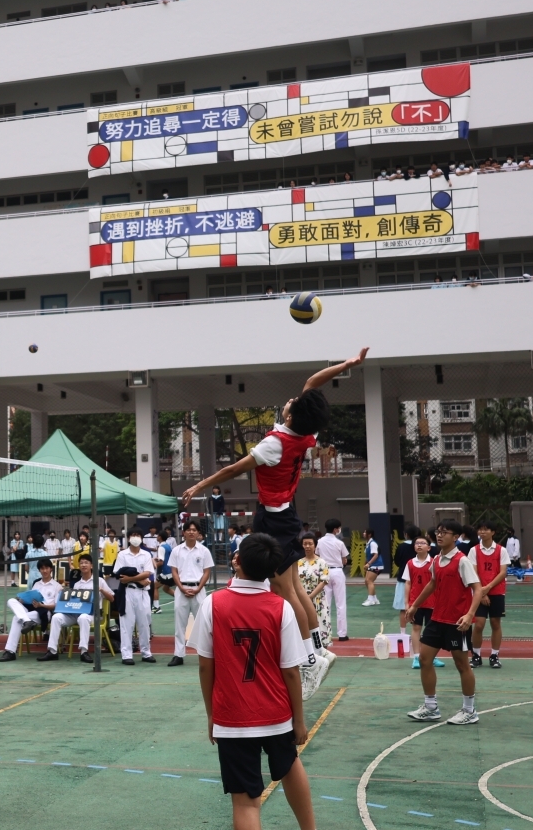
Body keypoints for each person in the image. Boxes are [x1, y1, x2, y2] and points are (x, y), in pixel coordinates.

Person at [181, 349, 370, 684]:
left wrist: (199, 485)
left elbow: (233, 469)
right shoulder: (306, 434)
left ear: (292, 416)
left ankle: (310, 658)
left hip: (274, 518)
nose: (291, 400)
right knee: (295, 587)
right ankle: (320, 648)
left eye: (293, 403)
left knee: (285, 591)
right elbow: (312, 382)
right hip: (287, 514)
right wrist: (348, 365)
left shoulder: (275, 444)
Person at [193, 533, 316, 830]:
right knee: (290, 765)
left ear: (236, 560)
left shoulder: (212, 604)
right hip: (276, 714)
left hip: (232, 717)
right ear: (273, 570)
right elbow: (291, 671)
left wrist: (212, 715)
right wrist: (299, 720)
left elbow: (205, 667)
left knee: (246, 802)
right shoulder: (281, 607)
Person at [405, 522, 483, 724]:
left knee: (462, 664)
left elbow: (478, 589)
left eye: (444, 532)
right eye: (438, 532)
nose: (439, 535)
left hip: (457, 622)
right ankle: (431, 707)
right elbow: (432, 584)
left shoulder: (462, 561)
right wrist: (414, 605)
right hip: (437, 618)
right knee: (424, 659)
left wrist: (469, 615)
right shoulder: (437, 559)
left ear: (455, 537)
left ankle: (469, 710)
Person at [42, 554, 113, 662]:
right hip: (75, 614)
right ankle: (52, 651)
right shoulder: (77, 585)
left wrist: (101, 590)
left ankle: (84, 652)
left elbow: (112, 598)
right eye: (81, 563)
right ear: (79, 566)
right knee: (56, 617)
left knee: (83, 618)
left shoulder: (100, 581)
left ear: (92, 565)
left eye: (86, 563)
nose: (83, 565)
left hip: (92, 614)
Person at [169, 521, 215, 666]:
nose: (191, 532)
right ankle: (178, 654)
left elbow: (207, 572)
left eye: (194, 530)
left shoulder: (204, 551)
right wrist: (181, 588)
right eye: (188, 530)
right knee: (179, 624)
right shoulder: (176, 550)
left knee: (203, 624)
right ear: (183, 533)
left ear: (198, 533)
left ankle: (206, 654)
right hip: (181, 589)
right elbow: (174, 571)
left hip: (198, 589)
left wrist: (199, 588)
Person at [0, 559, 63, 661]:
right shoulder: (36, 584)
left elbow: (56, 606)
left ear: (51, 569)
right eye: (42, 568)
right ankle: (27, 621)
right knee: (11, 601)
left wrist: (41, 605)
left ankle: (10, 651)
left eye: (47, 568)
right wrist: (22, 600)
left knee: (17, 618)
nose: (44, 571)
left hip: (45, 612)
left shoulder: (57, 586)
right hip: (32, 609)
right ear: (39, 570)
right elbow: (31, 599)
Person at [470, 521, 510, 670]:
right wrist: (481, 592)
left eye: (486, 529)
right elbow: (473, 572)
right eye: (480, 529)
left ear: (493, 532)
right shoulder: (474, 550)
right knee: (479, 624)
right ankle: (476, 655)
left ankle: (494, 655)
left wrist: (488, 587)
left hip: (496, 592)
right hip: (479, 592)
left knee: (495, 623)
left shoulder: (501, 550)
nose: (482, 532)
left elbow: (502, 572)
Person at [399, 532, 442, 670]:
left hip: (432, 602)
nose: (419, 545)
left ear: (429, 547)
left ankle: (431, 657)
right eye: (417, 543)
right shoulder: (410, 563)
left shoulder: (434, 562)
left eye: (423, 543)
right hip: (415, 603)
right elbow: (407, 583)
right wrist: (407, 603)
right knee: (416, 628)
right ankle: (417, 657)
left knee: (431, 630)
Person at [113, 533, 157, 665]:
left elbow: (147, 573)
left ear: (141, 538)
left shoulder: (146, 554)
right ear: (128, 538)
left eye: (138, 535)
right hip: (127, 592)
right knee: (127, 624)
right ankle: (126, 655)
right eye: (133, 535)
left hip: (143, 592)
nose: (136, 538)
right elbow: (120, 574)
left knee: (144, 623)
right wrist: (140, 579)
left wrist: (132, 578)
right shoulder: (122, 554)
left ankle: (146, 652)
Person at [294, 533, 331, 648]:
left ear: (315, 545)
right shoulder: (297, 562)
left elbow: (323, 581)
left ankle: (322, 650)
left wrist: (310, 597)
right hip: (300, 599)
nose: (307, 546)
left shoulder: (322, 562)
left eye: (310, 544)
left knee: (320, 624)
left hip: (318, 600)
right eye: (305, 544)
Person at [317, 520, 350, 641]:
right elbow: (345, 560)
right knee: (341, 604)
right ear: (336, 529)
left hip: (324, 572)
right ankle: (342, 634)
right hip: (337, 571)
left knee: (325, 604)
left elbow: (317, 556)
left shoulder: (319, 541)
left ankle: (325, 633)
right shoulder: (339, 543)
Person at [361, 530, 383, 606]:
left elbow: (375, 555)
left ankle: (370, 600)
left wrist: (368, 564)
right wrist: (365, 564)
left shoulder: (373, 543)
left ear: (369, 534)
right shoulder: (368, 543)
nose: (363, 533)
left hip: (377, 565)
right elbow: (368, 556)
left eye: (365, 532)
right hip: (372, 565)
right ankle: (375, 599)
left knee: (369, 581)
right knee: (366, 581)